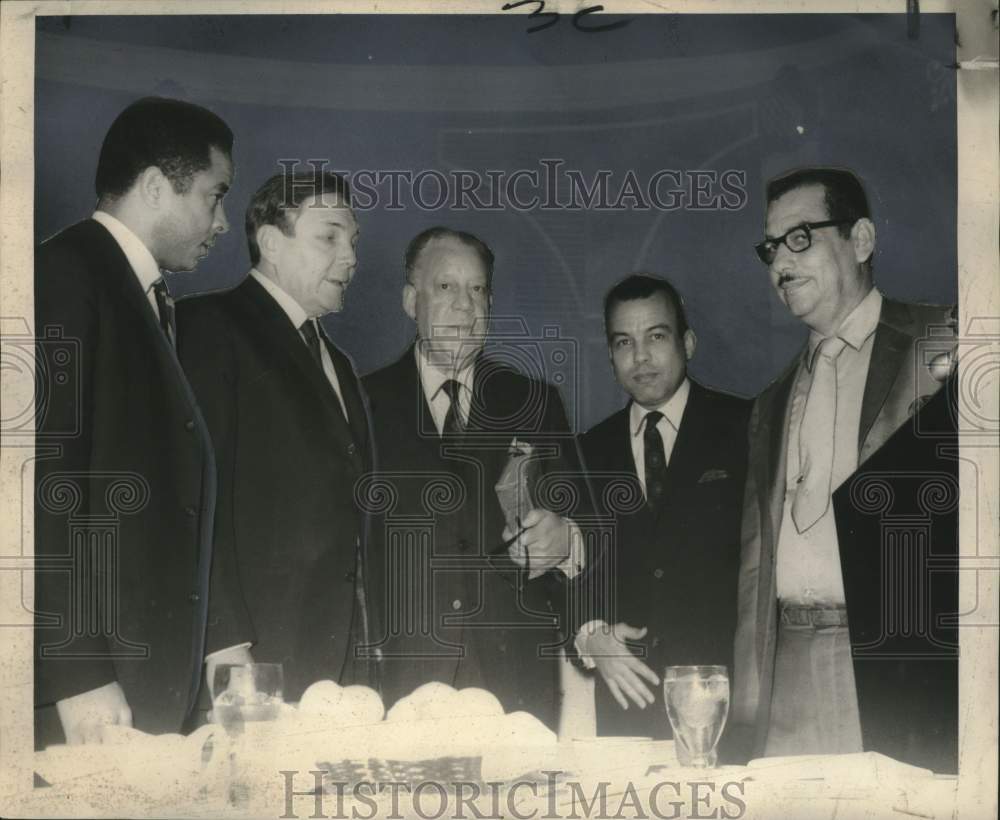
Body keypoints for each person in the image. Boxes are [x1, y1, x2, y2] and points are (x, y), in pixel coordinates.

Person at [34, 96, 244, 747]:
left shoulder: (146, 296)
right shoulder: (61, 274)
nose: (223, 222)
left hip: (149, 684)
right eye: (214, 196)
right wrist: (77, 674)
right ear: (156, 187)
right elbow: (36, 487)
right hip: (91, 700)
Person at [731, 166, 956, 759]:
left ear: (860, 240)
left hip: (898, 666)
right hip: (786, 672)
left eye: (800, 237)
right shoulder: (769, 404)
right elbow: (756, 566)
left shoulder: (948, 344)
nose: (780, 262)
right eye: (771, 247)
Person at [361, 226, 591, 728]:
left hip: (517, 688)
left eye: (478, 289)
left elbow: (585, 525)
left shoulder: (536, 402)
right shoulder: (360, 406)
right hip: (399, 688)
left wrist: (569, 539)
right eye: (446, 288)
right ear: (409, 300)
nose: (466, 306)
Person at [175, 169, 374, 703]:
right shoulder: (209, 327)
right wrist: (222, 644)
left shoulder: (342, 364)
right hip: (251, 664)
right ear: (270, 242)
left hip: (339, 666)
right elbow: (190, 500)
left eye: (353, 240)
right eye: (329, 236)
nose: (351, 257)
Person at [577, 274, 750, 739]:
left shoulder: (748, 427)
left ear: (688, 342)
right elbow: (565, 573)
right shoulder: (586, 453)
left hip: (730, 701)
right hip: (626, 702)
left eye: (656, 336)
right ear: (610, 357)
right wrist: (590, 636)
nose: (641, 357)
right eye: (623, 342)